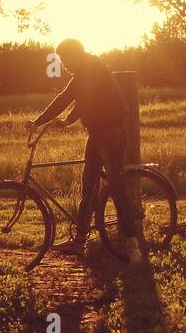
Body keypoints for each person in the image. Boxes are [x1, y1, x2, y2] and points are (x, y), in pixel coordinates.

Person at [29, 39, 142, 262]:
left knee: (117, 189)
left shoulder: (93, 70)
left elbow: (75, 99)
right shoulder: (84, 73)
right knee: (88, 187)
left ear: (76, 54)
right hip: (97, 134)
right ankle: (80, 241)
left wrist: (58, 119)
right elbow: (71, 99)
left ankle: (133, 245)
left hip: (110, 134)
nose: (63, 65)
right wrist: (44, 121)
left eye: (65, 59)